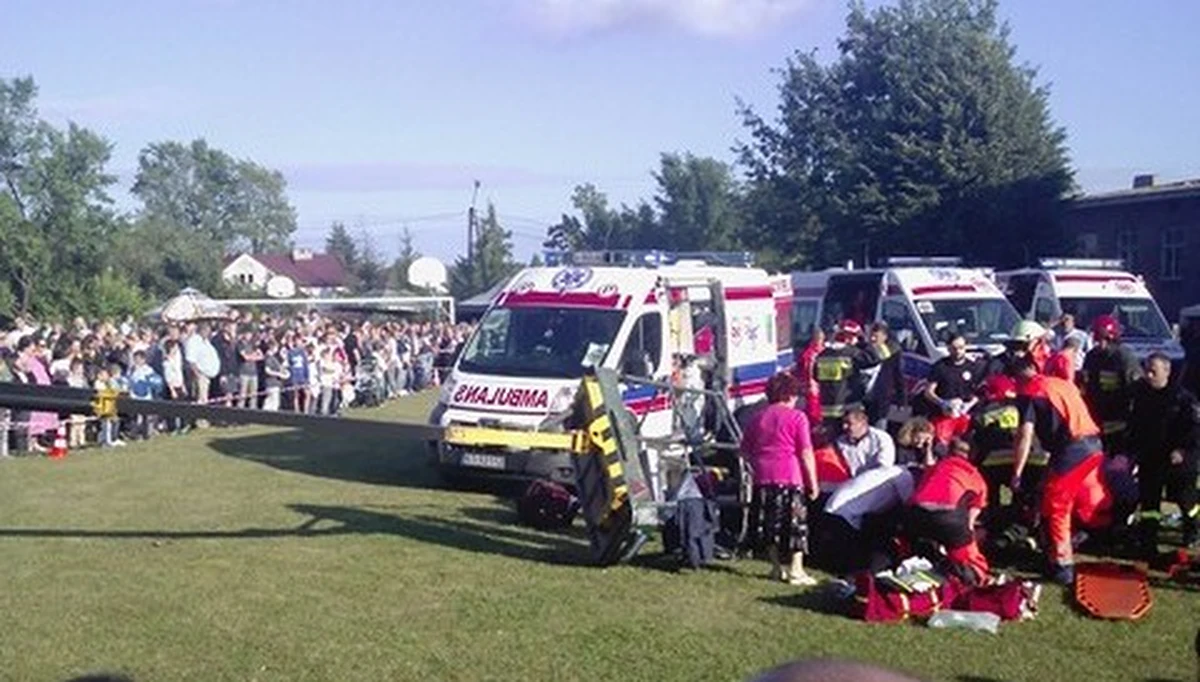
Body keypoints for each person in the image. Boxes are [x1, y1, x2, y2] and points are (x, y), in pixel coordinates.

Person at [1011, 354, 1113, 584]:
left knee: (1057, 505)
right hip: (1093, 445)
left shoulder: (1030, 392)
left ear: (1018, 378)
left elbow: (1025, 435)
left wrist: (1017, 472)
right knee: (1090, 499)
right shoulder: (1061, 384)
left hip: (1071, 451)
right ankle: (1100, 536)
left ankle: (1061, 564)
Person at [739, 373, 820, 586]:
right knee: (795, 524)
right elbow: (805, 452)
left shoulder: (757, 418)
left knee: (769, 524)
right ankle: (796, 569)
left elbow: (745, 452)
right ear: (791, 394)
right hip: (790, 475)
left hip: (763, 476)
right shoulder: (797, 417)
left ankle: (775, 568)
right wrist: (813, 481)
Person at [1127, 352, 1200, 554]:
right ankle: (1148, 539)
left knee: (1185, 499)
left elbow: (1195, 429)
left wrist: (1182, 451)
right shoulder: (1140, 394)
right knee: (1149, 501)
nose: (1149, 375)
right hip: (1151, 456)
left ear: (1166, 372)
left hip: (1179, 459)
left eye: (1153, 371)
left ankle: (1192, 529)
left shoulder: (1182, 399)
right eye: (1147, 370)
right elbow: (1135, 424)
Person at [905, 439, 991, 584]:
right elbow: (970, 522)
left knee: (919, 542)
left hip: (916, 514)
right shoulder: (977, 478)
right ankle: (974, 578)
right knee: (967, 557)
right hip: (949, 518)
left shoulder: (937, 467)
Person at [1081, 314, 1142, 456]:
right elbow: (1085, 385)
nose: (1101, 344)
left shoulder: (1123, 357)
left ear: (1114, 338)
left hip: (1119, 422)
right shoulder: (1091, 357)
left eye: (1106, 339)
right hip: (1095, 420)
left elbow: (1135, 389)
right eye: (1098, 339)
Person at [814, 320, 879, 432]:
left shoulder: (822, 355)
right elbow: (874, 358)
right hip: (848, 407)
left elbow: (816, 375)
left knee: (831, 441)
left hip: (828, 409)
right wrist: (864, 342)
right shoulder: (851, 353)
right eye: (855, 337)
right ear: (849, 337)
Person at [923, 334, 979, 444]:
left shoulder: (973, 367)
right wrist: (943, 403)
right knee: (942, 446)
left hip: (964, 415)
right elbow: (928, 392)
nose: (958, 351)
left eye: (961, 348)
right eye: (954, 348)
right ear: (948, 348)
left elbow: (978, 392)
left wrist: (969, 405)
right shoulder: (940, 367)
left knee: (963, 446)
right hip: (943, 417)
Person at [864, 321, 906, 431]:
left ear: (884, 337)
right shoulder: (862, 351)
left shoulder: (893, 353)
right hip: (862, 400)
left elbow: (898, 376)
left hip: (880, 400)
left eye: (876, 336)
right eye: (871, 336)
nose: (872, 339)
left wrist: (901, 399)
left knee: (879, 431)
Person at [795, 327, 826, 427]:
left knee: (813, 411)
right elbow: (807, 371)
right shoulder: (812, 354)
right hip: (814, 387)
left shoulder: (809, 353)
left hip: (813, 387)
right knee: (814, 413)